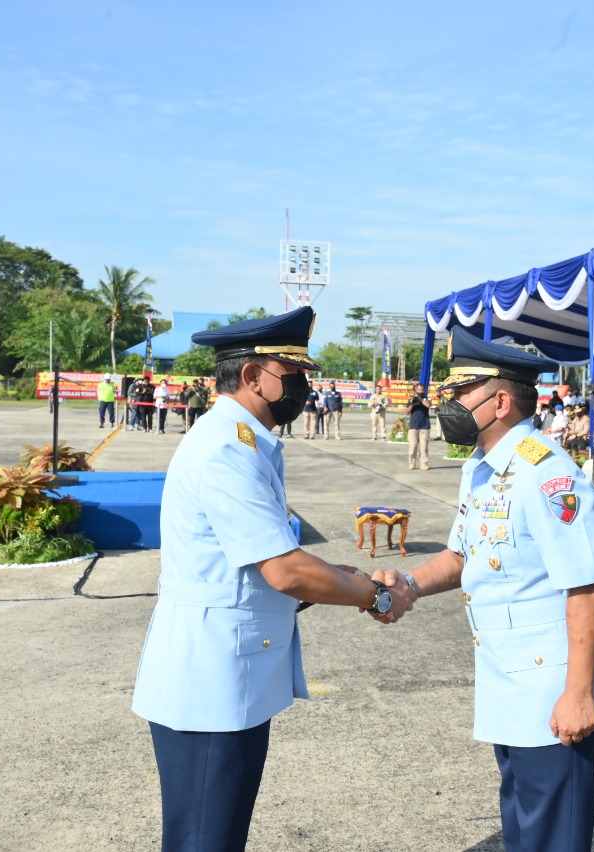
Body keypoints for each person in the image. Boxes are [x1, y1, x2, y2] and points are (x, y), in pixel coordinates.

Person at [131, 307, 415, 851]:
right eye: (292, 373)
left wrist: (335, 577)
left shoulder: (241, 441)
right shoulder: (227, 450)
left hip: (225, 672)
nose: (302, 385)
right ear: (252, 376)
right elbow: (284, 569)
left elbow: (256, 562)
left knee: (216, 834)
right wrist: (375, 594)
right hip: (211, 681)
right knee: (205, 839)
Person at [380, 328, 594, 852]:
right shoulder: (480, 469)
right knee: (522, 826)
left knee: (551, 836)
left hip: (553, 688)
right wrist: (407, 585)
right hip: (508, 682)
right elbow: (461, 556)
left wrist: (579, 694)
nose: (448, 403)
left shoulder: (547, 474)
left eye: (460, 392)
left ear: (499, 403)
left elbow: (585, 587)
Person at [407, 382, 431, 470]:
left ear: (424, 390)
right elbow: (407, 412)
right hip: (414, 425)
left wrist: (421, 400)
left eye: (422, 390)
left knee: (424, 447)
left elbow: (428, 405)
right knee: (413, 446)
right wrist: (412, 404)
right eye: (419, 390)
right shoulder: (411, 398)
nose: (420, 391)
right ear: (416, 390)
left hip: (424, 425)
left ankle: (424, 464)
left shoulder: (427, 397)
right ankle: (412, 463)